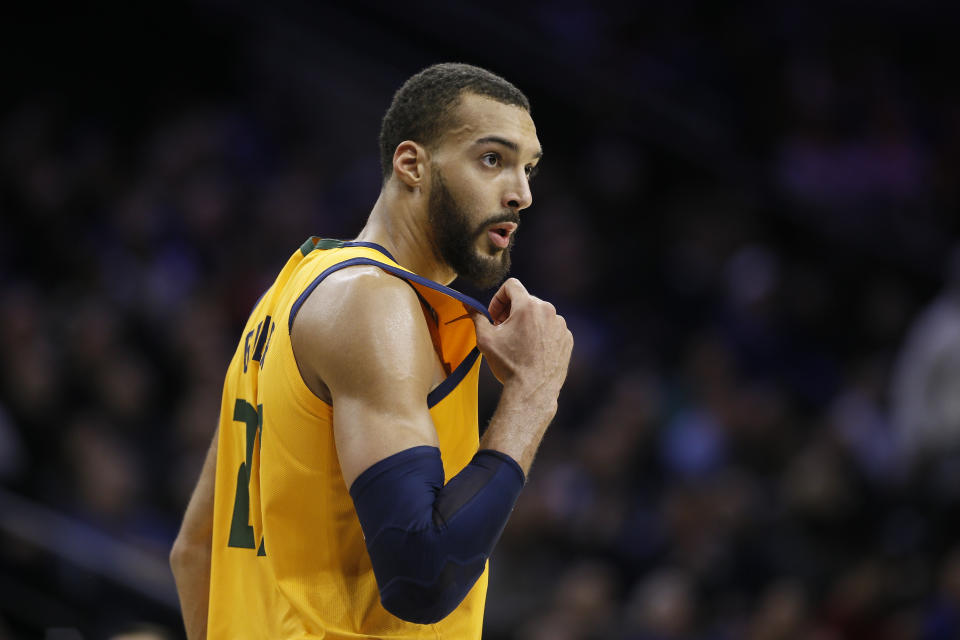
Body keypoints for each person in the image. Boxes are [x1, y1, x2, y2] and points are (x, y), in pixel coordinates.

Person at [169, 62, 573, 639]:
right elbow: (423, 576)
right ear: (412, 165)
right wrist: (532, 394)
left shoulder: (289, 291)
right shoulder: (373, 305)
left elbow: (194, 551)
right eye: (493, 159)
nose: (522, 194)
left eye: (528, 169)